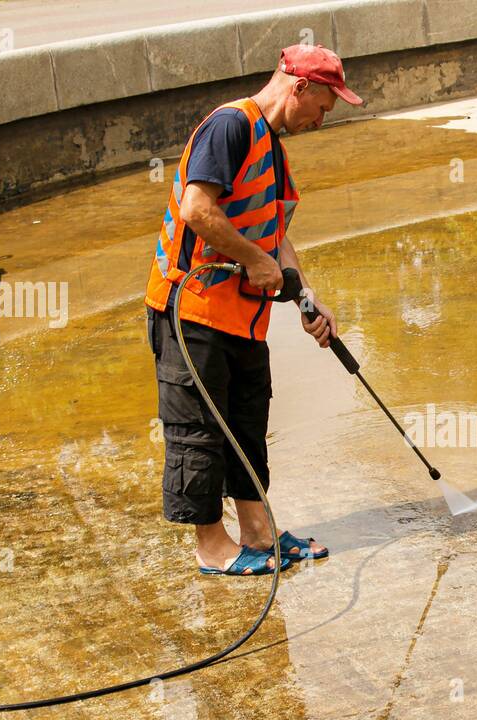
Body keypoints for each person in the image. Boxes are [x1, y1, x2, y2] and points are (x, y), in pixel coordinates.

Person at [144, 44, 363, 575]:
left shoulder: (274, 149)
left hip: (242, 316)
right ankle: (213, 548)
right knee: (198, 429)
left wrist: (308, 300)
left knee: (247, 423)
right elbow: (199, 210)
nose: (319, 121)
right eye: (322, 109)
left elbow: (276, 235)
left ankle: (258, 531)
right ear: (300, 88)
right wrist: (252, 259)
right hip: (190, 310)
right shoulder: (230, 128)